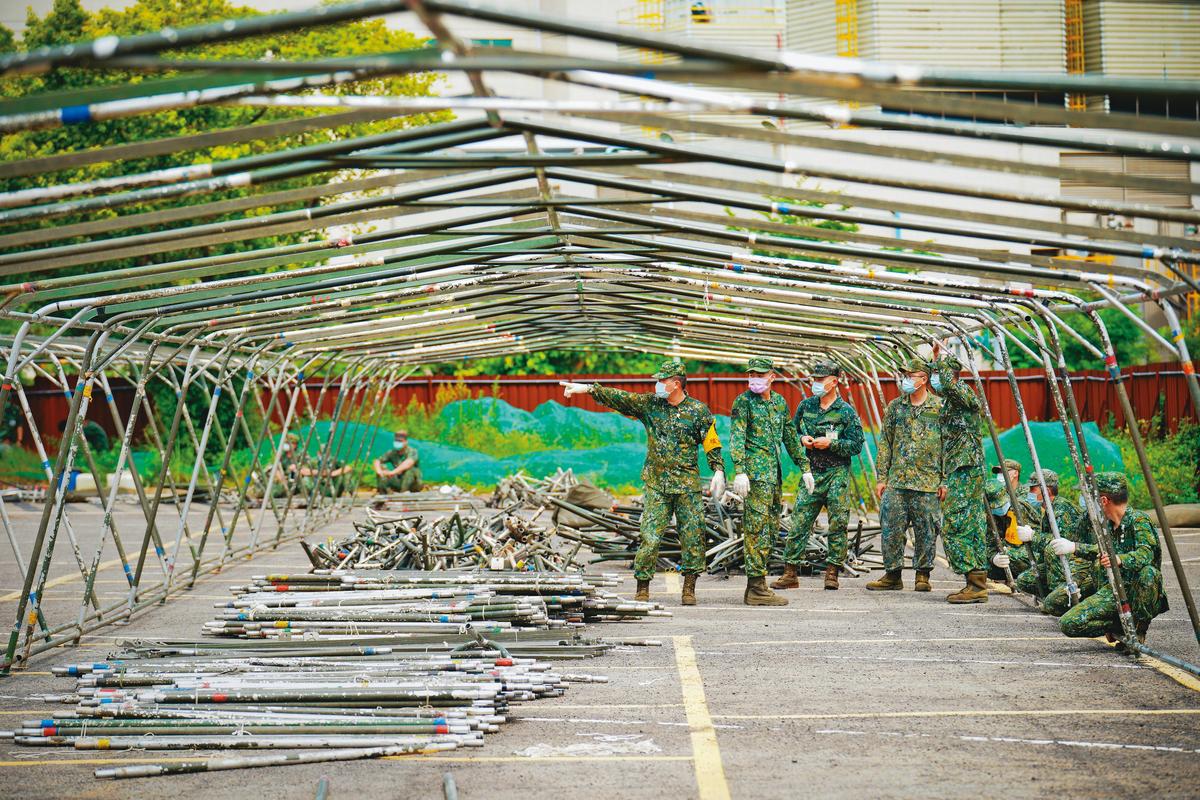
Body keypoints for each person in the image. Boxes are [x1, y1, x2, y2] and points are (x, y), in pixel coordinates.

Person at [561, 360, 725, 606]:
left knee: (693, 537)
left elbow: (711, 441)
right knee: (649, 537)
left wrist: (718, 470)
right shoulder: (650, 405)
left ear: (676, 383)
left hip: (686, 485)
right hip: (657, 484)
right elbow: (621, 398)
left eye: (662, 380)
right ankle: (642, 586)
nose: (658, 384)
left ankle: (689, 587)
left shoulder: (698, 411)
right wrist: (588, 389)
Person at [772, 360, 863, 591]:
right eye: (815, 379)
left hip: (837, 473)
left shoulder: (846, 412)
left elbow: (856, 445)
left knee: (838, 522)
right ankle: (790, 572)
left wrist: (831, 444)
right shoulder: (806, 406)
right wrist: (803, 439)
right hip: (812, 473)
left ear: (834, 382)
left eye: (821, 380)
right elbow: (792, 432)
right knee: (799, 521)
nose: (816, 384)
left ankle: (832, 572)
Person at [728, 357, 811, 606]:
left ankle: (758, 585)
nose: (755, 378)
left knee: (770, 529)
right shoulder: (743, 402)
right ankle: (755, 588)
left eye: (760, 374)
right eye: (751, 374)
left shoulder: (778, 403)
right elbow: (737, 436)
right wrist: (740, 470)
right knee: (756, 530)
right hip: (754, 477)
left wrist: (805, 467)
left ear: (772, 377)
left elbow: (790, 437)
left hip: (773, 477)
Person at [1048, 472, 1167, 642]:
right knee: (1069, 623)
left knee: (1149, 573)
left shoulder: (1139, 520)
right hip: (1112, 589)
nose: (1087, 504)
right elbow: (1099, 550)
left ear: (1103, 501)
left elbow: (1146, 554)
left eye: (1090, 499)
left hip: (1136, 590)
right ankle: (1117, 626)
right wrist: (1075, 548)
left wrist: (1119, 559)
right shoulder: (1106, 526)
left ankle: (1138, 629)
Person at [868, 357, 944, 592]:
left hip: (928, 482)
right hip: (897, 481)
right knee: (891, 528)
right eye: (905, 375)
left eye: (910, 376)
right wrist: (882, 477)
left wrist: (946, 480)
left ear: (924, 379)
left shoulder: (939, 408)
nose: (905, 380)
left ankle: (922, 575)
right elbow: (885, 443)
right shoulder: (895, 407)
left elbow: (949, 445)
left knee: (926, 531)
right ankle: (892, 574)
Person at [930, 352, 991, 603]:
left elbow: (952, 386)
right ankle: (975, 583)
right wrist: (935, 358)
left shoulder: (964, 394)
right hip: (959, 468)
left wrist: (942, 366)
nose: (935, 381)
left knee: (956, 524)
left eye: (938, 375)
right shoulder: (950, 401)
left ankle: (976, 583)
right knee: (970, 523)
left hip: (968, 468)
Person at [1011, 469, 1081, 597]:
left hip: (1076, 561)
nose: (1030, 493)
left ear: (1047, 491)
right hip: (1057, 562)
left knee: (1051, 550)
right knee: (1025, 580)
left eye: (1033, 489)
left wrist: (1032, 536)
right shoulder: (1048, 510)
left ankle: (1060, 596)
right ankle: (1053, 595)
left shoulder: (1061, 508)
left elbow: (1059, 543)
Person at [985, 458, 1038, 582]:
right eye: (998, 473)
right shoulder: (997, 497)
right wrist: (993, 556)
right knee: (981, 561)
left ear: (1016, 473)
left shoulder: (1025, 497)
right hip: (1005, 545)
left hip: (1023, 547)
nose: (1000, 476)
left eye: (1004, 472)